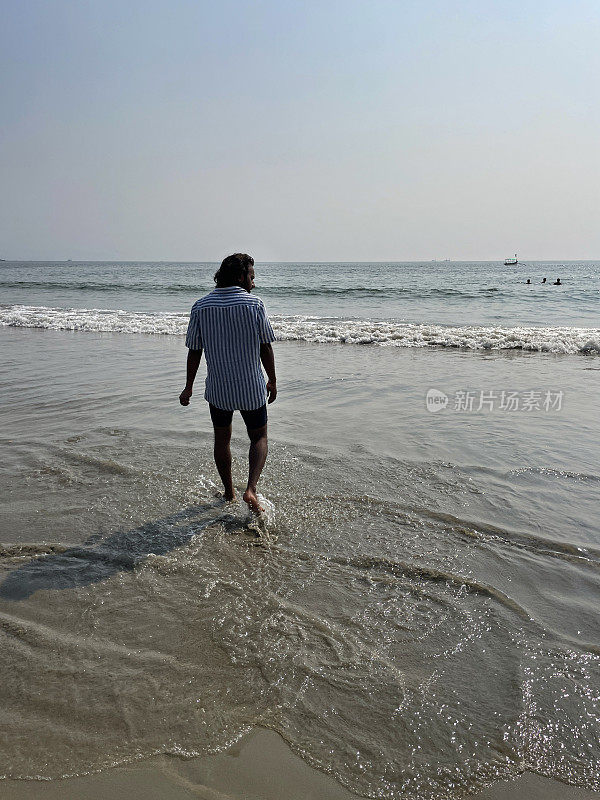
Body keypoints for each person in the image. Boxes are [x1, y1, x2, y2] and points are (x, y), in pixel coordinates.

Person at [179, 253, 277, 513]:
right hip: (250, 387)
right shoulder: (254, 305)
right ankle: (251, 489)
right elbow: (265, 346)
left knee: (222, 440)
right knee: (259, 437)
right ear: (240, 276)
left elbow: (194, 350)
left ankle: (229, 492)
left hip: (219, 389)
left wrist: (188, 386)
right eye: (252, 277)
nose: (254, 283)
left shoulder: (201, 306)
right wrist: (273, 380)